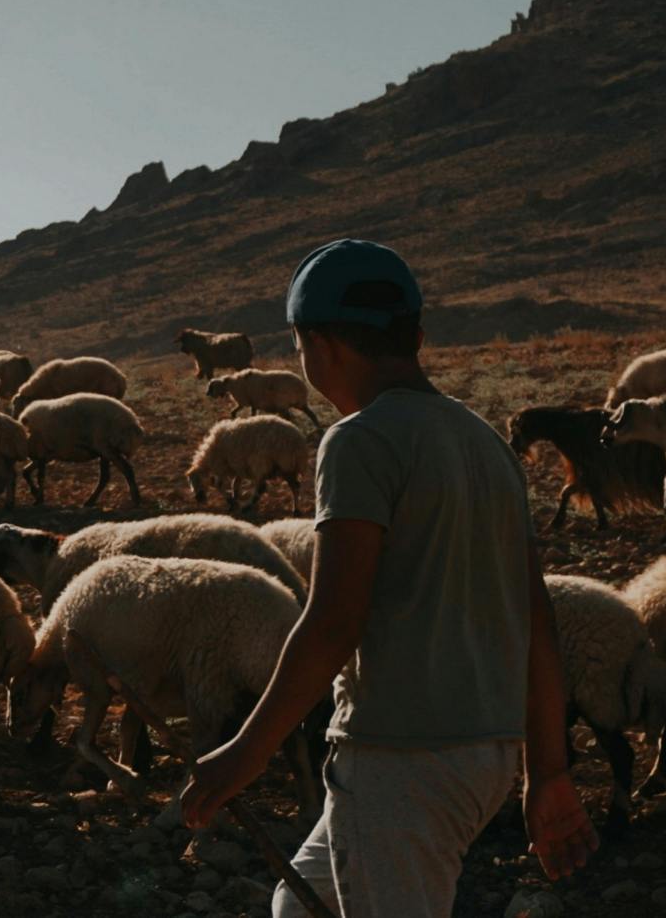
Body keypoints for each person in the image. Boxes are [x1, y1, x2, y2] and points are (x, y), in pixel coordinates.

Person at [178, 239, 598, 916]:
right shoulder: (484, 443)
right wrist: (547, 771)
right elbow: (535, 619)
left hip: (400, 756)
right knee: (302, 902)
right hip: (482, 754)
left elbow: (334, 621)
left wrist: (246, 753)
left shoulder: (359, 440)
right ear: (417, 336)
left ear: (318, 346)